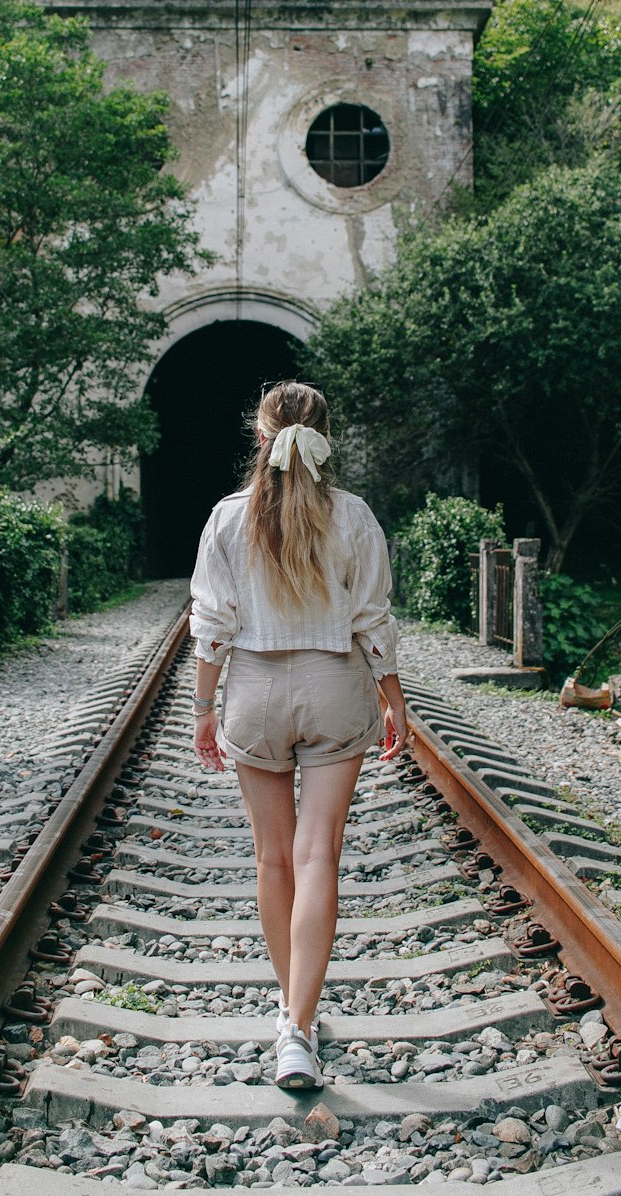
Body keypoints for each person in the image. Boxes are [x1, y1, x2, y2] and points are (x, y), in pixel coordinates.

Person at [189, 380, 408, 1090]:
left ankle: (290, 1017)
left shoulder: (228, 518)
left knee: (272, 860)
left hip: (253, 688)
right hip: (334, 686)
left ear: (260, 436)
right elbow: (371, 617)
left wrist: (202, 710)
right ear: (325, 438)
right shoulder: (354, 516)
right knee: (319, 858)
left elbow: (210, 624)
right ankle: (302, 1028)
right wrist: (393, 697)